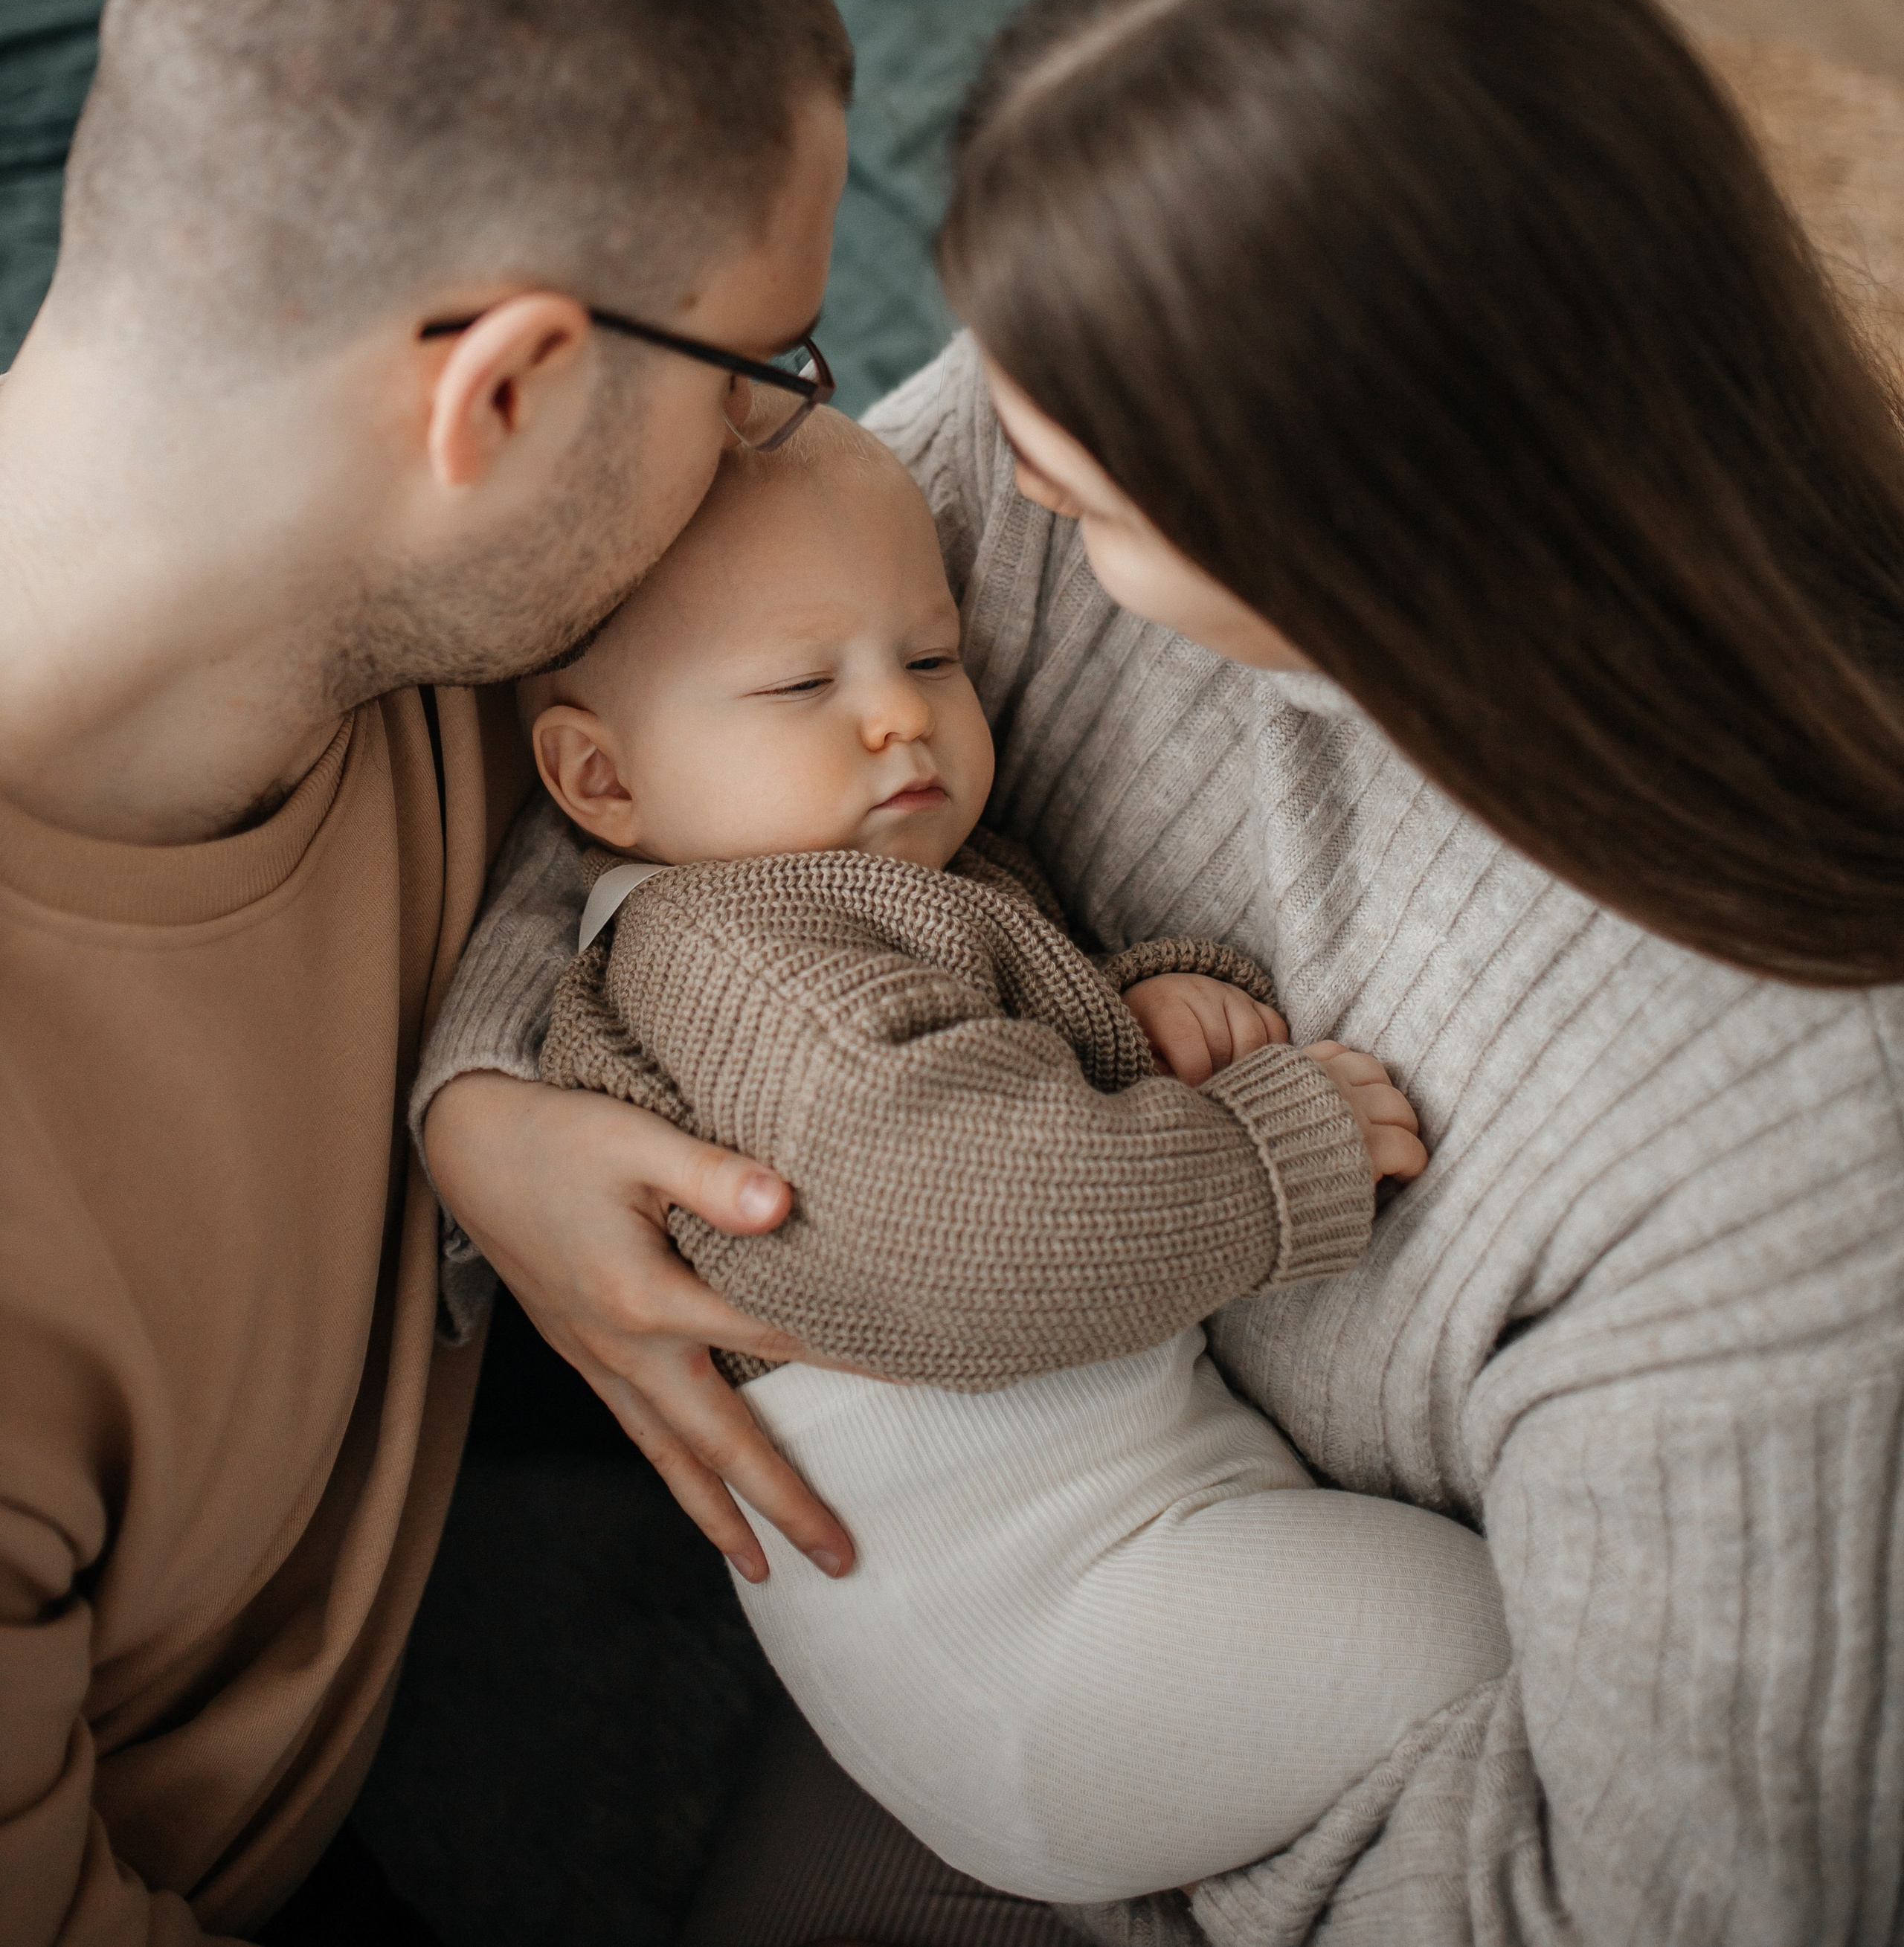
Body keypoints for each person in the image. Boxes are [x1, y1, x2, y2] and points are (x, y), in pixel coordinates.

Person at [422, 0, 1904, 1944]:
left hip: (1276, 1780)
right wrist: (492, 1107)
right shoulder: (1040, 491)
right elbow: (640, 738)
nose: (981, 473)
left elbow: (1654, 1900)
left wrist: (1168, 1848)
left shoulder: (1782, 1174)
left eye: (1078, 487)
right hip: (1019, 1566)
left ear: (1354, 532)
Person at [0, 0, 866, 1946]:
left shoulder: (391, 622)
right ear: (501, 394)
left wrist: (484, 1086)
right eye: (769, 361)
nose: (800, 433)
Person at [446, 404, 1504, 1905]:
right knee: (1482, 1638)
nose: (899, 718)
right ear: (600, 786)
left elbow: (973, 1067)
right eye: (807, 681)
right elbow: (978, 1222)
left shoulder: (833, 894)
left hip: (1086, 1591)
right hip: (1049, 1645)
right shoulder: (728, 956)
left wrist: (1134, 1026)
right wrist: (1268, 1158)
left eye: (930, 657)